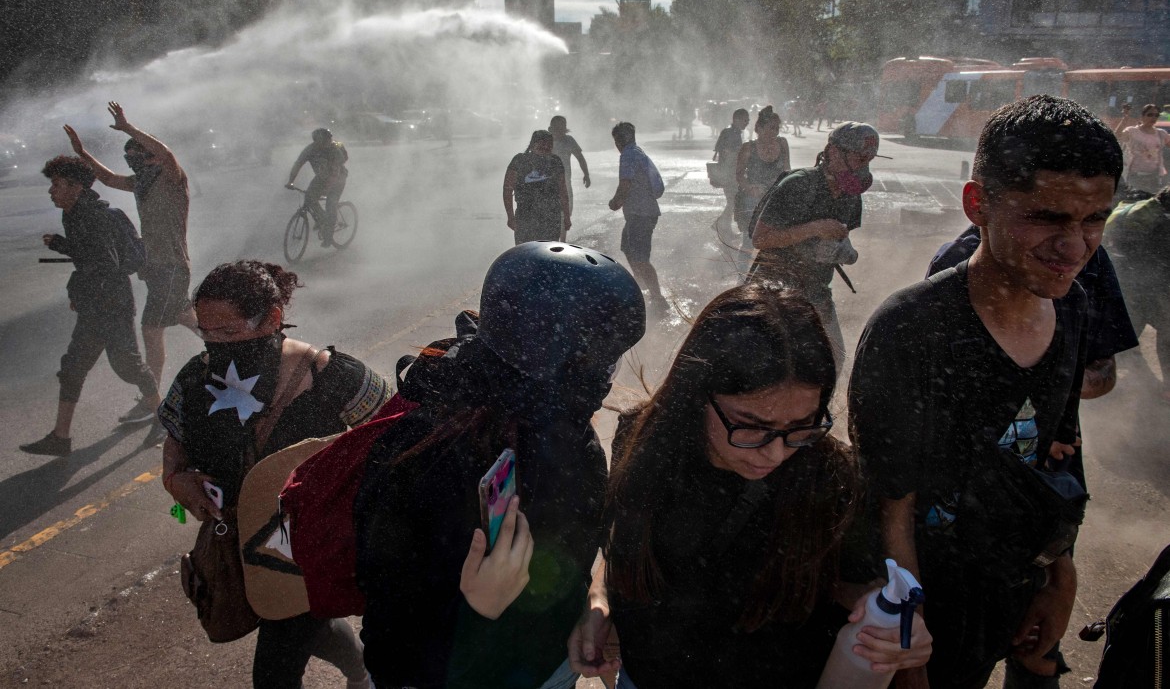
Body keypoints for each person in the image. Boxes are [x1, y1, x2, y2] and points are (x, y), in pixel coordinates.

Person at [849, 95, 1123, 688]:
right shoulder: (910, 330)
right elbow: (888, 511)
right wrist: (909, 656)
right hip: (933, 614)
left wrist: (1059, 574)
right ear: (978, 204)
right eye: (1047, 218)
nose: (1075, 248)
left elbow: (1059, 446)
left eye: (1094, 219)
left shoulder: (1072, 307)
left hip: (1020, 589)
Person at [568, 284, 932, 689]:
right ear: (697, 391)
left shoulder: (833, 478)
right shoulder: (642, 440)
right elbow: (621, 544)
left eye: (800, 427)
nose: (774, 454)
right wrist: (599, 602)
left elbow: (856, 588)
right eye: (752, 427)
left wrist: (891, 624)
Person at [354, 241, 646, 689]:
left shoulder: (567, 433)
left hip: (549, 664)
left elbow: (576, 549)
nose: (607, 375)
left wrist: (594, 600)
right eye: (599, 359)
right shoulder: (424, 454)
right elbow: (391, 622)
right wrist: (479, 608)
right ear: (552, 356)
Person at [157, 260, 388, 689]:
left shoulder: (333, 378)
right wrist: (177, 482)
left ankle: (361, 668)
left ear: (273, 319)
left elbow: (395, 434)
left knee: (275, 668)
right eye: (206, 332)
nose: (215, 344)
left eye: (229, 333)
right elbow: (175, 441)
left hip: (308, 546)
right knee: (293, 616)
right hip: (241, 541)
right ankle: (358, 667)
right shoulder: (194, 379)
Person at [64, 102, 197, 426]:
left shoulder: (172, 179)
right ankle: (247, 345)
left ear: (152, 156)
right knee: (188, 318)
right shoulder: (141, 183)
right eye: (131, 157)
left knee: (152, 329)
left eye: (141, 155)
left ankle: (153, 400)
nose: (136, 161)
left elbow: (165, 155)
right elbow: (107, 178)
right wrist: (81, 153)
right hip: (154, 269)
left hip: (171, 267)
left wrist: (128, 127)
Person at [21, 157, 161, 457]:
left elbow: (104, 264)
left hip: (111, 305)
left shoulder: (90, 217)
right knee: (73, 368)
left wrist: (71, 264)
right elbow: (91, 258)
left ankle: (164, 420)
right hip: (96, 306)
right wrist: (66, 249)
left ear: (76, 187)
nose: (51, 191)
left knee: (128, 366)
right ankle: (60, 437)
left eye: (56, 185)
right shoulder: (74, 213)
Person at [749, 121, 879, 367]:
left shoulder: (851, 197)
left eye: (868, 160)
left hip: (816, 288)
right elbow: (760, 239)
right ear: (832, 152)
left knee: (833, 360)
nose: (863, 167)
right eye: (858, 158)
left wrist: (842, 249)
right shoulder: (798, 185)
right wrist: (814, 229)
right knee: (768, 364)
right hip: (774, 288)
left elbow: (839, 238)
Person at [1102, 186, 1170, 400]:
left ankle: (1100, 381)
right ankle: (1167, 388)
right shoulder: (1165, 224)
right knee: (1167, 336)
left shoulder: (1146, 214)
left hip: (1129, 282)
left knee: (1122, 334)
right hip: (1158, 288)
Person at [608, 122, 668, 315]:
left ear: (618, 140)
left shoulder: (628, 154)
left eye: (617, 140)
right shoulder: (638, 151)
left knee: (641, 258)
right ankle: (641, 282)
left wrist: (615, 201)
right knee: (627, 245)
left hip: (640, 214)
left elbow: (625, 184)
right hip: (643, 212)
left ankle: (657, 297)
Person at [734, 106, 791, 271]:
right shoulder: (748, 148)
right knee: (748, 240)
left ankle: (769, 274)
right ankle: (741, 276)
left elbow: (787, 169)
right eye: (770, 128)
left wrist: (784, 187)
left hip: (776, 197)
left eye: (776, 128)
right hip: (752, 200)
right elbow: (739, 176)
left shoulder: (782, 143)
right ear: (758, 128)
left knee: (777, 239)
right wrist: (749, 188)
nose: (774, 132)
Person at [503, 129, 570, 244]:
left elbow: (563, 190)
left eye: (549, 144)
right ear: (533, 144)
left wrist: (567, 216)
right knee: (525, 254)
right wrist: (510, 216)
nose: (546, 146)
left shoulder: (555, 161)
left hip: (551, 217)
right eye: (542, 143)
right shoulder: (519, 160)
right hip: (526, 217)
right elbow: (507, 189)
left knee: (548, 254)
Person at [287, 128, 348, 247]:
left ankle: (328, 236)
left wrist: (327, 188)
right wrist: (290, 181)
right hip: (322, 178)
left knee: (331, 203)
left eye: (326, 140)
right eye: (320, 141)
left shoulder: (334, 150)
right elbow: (298, 164)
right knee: (309, 197)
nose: (324, 143)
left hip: (338, 178)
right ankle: (322, 219)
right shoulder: (310, 150)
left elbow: (335, 172)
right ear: (315, 141)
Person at [1114, 103, 1170, 194]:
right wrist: (1125, 118)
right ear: (1142, 116)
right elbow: (1117, 135)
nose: (1153, 117)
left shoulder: (1161, 133)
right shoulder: (1133, 131)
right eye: (1150, 114)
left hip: (1154, 177)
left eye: (1156, 115)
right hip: (1136, 176)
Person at [711, 108, 749, 243]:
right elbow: (727, 154)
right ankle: (720, 225)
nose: (747, 123)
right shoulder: (731, 133)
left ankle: (724, 228)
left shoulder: (733, 132)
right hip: (729, 174)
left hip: (730, 173)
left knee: (732, 202)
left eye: (748, 120)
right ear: (736, 119)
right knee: (733, 202)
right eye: (745, 120)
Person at [549, 116, 590, 238]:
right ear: (551, 128)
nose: (559, 131)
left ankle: (562, 241)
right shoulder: (546, 140)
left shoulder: (569, 141)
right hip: (547, 185)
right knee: (551, 215)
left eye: (562, 128)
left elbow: (580, 158)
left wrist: (586, 174)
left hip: (565, 183)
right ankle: (552, 242)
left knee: (566, 213)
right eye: (557, 128)